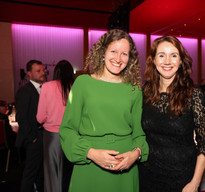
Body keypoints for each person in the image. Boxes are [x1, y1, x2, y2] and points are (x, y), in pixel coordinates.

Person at [59, 29, 149, 192]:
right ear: (103, 52)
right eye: (113, 51)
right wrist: (91, 153)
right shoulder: (83, 83)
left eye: (124, 54)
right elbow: (67, 129)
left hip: (125, 168)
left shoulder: (134, 89)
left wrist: (135, 154)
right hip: (89, 164)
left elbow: (139, 134)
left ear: (130, 59)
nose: (118, 58)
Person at [139, 35, 205, 192]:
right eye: (161, 55)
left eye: (173, 55)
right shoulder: (145, 92)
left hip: (182, 178)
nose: (167, 61)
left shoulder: (194, 95)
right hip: (147, 175)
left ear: (180, 62)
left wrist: (195, 182)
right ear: (153, 60)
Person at [36, 60, 75, 192]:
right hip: (72, 136)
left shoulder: (47, 86)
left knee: (52, 173)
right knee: (70, 173)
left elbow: (40, 117)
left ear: (56, 72)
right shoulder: (75, 88)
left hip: (52, 137)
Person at [15, 60, 45, 192]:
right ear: (29, 74)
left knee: (41, 174)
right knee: (30, 175)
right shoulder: (24, 91)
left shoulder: (45, 89)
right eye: (38, 71)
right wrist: (33, 138)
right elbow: (21, 118)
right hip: (33, 140)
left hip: (43, 138)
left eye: (43, 70)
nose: (42, 73)